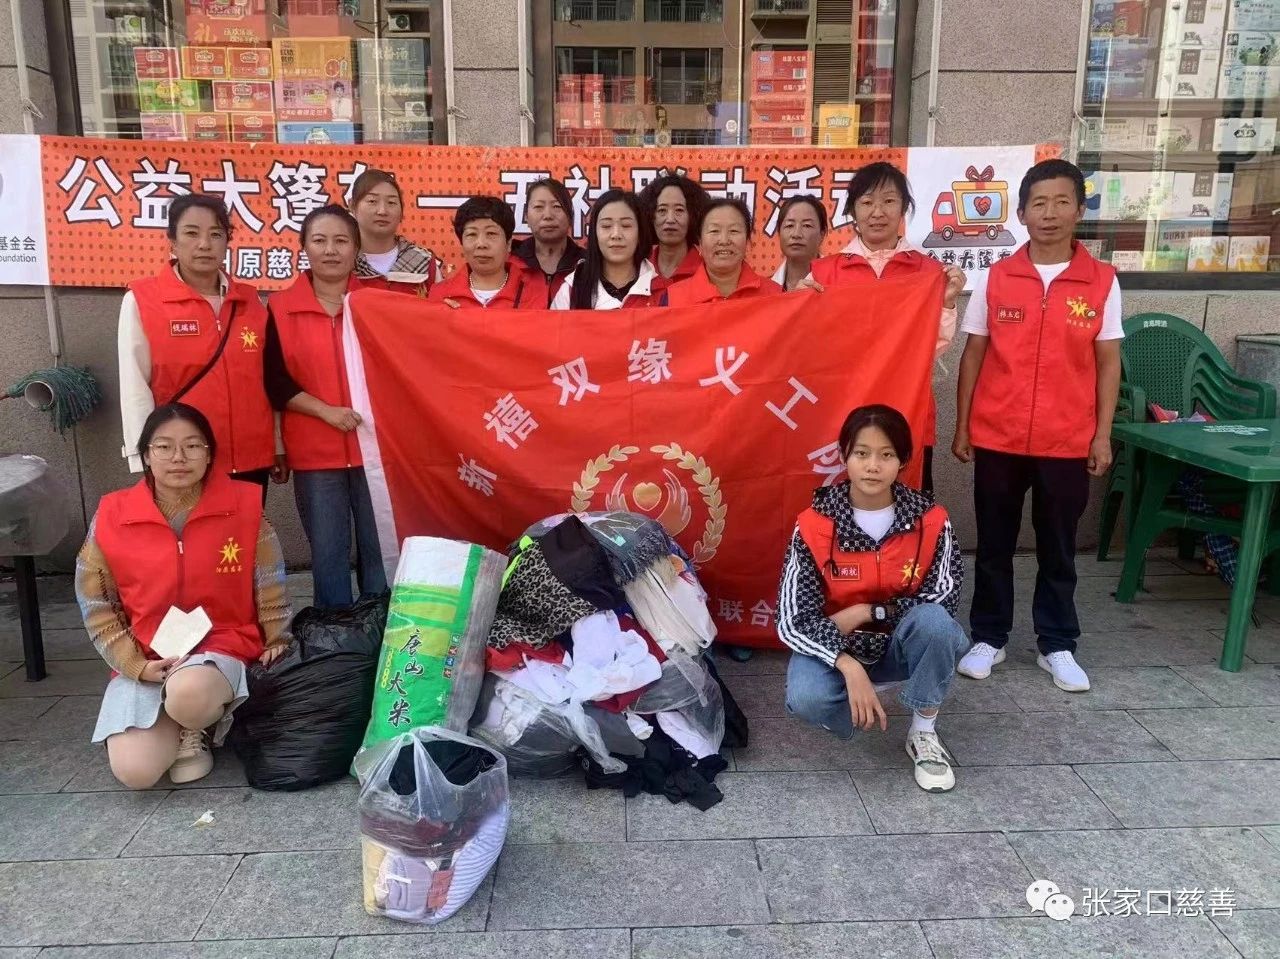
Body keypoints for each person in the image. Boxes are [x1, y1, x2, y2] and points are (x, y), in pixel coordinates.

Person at [953, 158, 1122, 693]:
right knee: (994, 543)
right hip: (998, 435)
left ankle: (1057, 643)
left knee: (1058, 546)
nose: (1050, 213)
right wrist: (963, 425)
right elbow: (974, 353)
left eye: (1062, 202)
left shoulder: (1101, 281)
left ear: (1080, 210)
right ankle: (989, 637)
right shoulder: (998, 276)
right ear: (1022, 213)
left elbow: (1108, 363)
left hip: (1067, 439)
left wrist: (1101, 435)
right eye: (1039, 203)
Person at [77, 403, 292, 788]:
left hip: (221, 644)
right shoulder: (113, 513)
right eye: (164, 447)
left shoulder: (242, 506)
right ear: (146, 455)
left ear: (209, 455)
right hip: (149, 654)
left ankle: (197, 723)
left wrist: (277, 636)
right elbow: (95, 601)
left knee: (189, 694)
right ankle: (178, 721)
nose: (178, 457)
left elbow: (269, 576)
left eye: (193, 446)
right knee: (136, 773)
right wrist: (133, 664)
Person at [777, 404, 968, 792]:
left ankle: (923, 731)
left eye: (886, 455)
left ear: (903, 461)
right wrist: (847, 665)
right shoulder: (814, 524)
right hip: (839, 646)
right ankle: (859, 688)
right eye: (862, 453)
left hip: (899, 644)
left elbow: (942, 601)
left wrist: (866, 611)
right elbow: (794, 620)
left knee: (936, 626)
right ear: (844, 455)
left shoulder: (931, 520)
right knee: (806, 698)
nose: (872, 466)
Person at [805, 163, 966, 494]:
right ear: (852, 210)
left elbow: (932, 348)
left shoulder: (928, 272)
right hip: (840, 415)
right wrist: (797, 307)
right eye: (866, 202)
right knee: (840, 509)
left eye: (889, 201)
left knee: (909, 508)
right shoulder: (823, 273)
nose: (877, 212)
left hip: (908, 411)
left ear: (904, 207)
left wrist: (948, 302)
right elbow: (808, 349)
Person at [264, 204, 387, 610]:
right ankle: (334, 633)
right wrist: (325, 412)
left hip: (374, 451)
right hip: (315, 453)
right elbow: (274, 380)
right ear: (304, 247)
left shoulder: (377, 304)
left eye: (341, 241)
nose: (330, 250)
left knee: (380, 550)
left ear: (356, 249)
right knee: (329, 554)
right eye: (319, 240)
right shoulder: (280, 307)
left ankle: (379, 628)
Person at [117, 193, 280, 495]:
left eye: (216, 234)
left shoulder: (250, 301)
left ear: (227, 241)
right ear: (172, 241)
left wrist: (276, 445)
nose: (204, 244)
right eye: (192, 233)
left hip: (250, 457)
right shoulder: (143, 300)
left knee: (247, 528)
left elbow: (267, 380)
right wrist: (146, 456)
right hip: (183, 460)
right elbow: (133, 386)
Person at [551, 189, 662, 310]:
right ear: (594, 233)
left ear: (640, 232)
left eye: (626, 225)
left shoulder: (660, 289)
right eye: (606, 226)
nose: (616, 235)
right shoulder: (571, 290)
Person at [664, 198, 784, 305]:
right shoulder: (673, 298)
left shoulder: (775, 295)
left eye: (734, 231)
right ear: (700, 244)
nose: (724, 240)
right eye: (714, 231)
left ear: (747, 242)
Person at [349, 168, 444, 296]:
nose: (382, 211)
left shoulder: (424, 263)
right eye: (372, 201)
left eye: (391, 202)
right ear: (352, 206)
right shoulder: (343, 261)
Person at [428, 196, 535, 309]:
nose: (481, 244)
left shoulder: (535, 294)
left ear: (508, 244)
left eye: (491, 233)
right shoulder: (439, 294)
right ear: (462, 242)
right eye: (472, 234)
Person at [514, 177, 584, 306]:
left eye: (557, 206)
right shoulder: (509, 262)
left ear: (570, 217)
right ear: (526, 217)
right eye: (538, 207)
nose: (548, 215)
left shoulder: (587, 265)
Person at [638, 173, 709, 290]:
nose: (670, 219)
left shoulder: (709, 270)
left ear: (693, 215)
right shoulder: (638, 270)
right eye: (662, 210)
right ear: (650, 216)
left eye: (679, 210)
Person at [772, 195, 828, 291]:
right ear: (779, 232)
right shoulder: (767, 289)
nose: (796, 234)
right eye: (789, 225)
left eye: (807, 225)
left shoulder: (838, 281)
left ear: (822, 234)